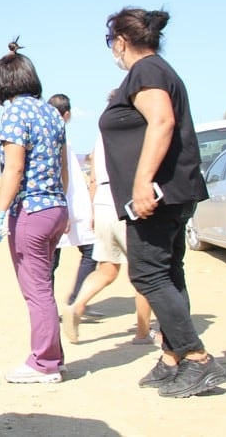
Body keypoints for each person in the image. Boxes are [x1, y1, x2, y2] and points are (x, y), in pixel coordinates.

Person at [100, 7, 226, 398]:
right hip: (174, 191)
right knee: (169, 273)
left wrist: (141, 183)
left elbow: (162, 122)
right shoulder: (157, 70)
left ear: (121, 41)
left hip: (158, 194)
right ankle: (172, 356)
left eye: (111, 44)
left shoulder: (147, 71)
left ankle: (197, 358)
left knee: (149, 275)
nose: (113, 52)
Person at [0, 40, 69, 384]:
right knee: (44, 285)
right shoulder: (50, 112)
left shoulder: (15, 113)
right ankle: (53, 356)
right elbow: (63, 166)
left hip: (31, 211)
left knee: (36, 290)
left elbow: (14, 168)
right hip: (55, 208)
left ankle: (44, 363)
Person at [62, 101, 155, 346]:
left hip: (102, 202)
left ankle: (77, 305)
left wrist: (93, 209)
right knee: (143, 270)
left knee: (107, 268)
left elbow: (93, 177)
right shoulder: (137, 129)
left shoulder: (101, 135)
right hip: (126, 199)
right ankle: (143, 332)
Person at [47, 94, 98, 311]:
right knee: (90, 251)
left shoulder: (51, 133)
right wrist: (64, 210)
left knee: (53, 260)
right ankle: (72, 301)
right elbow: (60, 172)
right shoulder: (56, 134)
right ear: (67, 114)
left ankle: (65, 303)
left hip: (62, 206)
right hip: (66, 206)